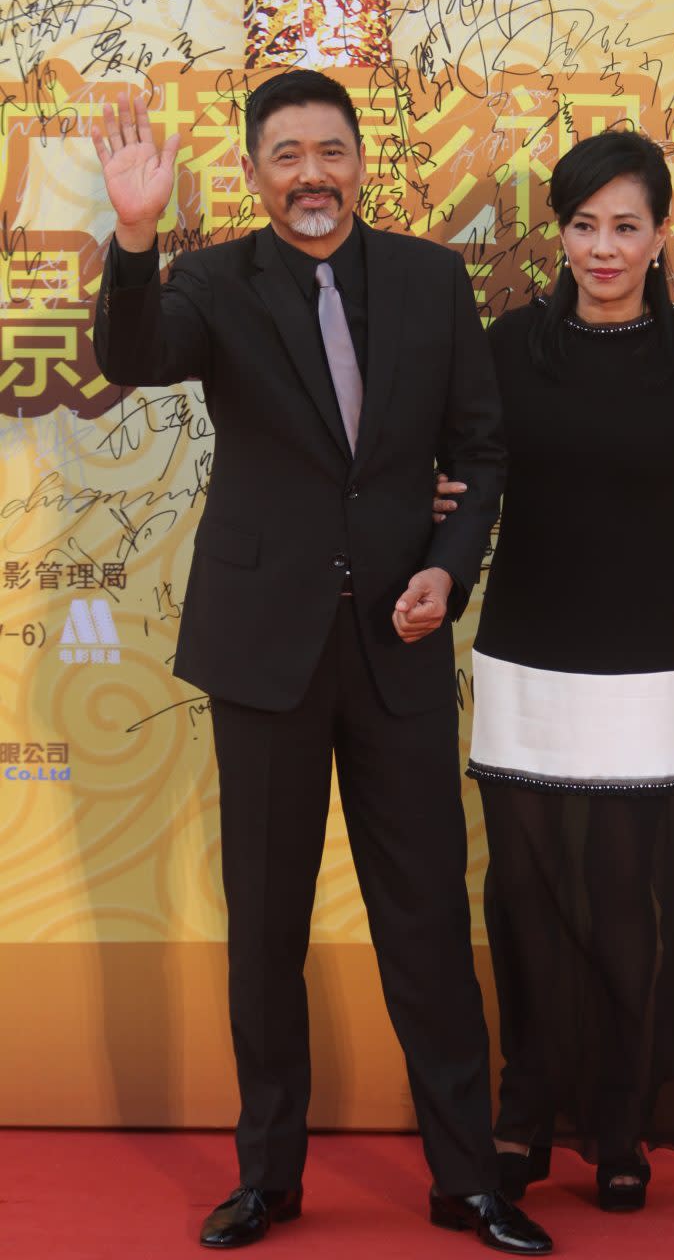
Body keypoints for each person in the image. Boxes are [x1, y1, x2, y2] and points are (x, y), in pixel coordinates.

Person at [91, 69, 552, 1255]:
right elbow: (133, 356)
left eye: (330, 151)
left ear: (361, 162)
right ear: (254, 173)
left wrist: (447, 567)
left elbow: (481, 451)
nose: (311, 175)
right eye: (286, 154)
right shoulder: (210, 280)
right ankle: (267, 1174)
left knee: (427, 923)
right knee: (266, 928)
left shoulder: (428, 279)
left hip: (397, 640)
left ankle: (465, 1178)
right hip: (265, 652)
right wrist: (135, 236)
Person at [436, 129, 674, 1212]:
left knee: (630, 906)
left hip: (646, 668)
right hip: (523, 660)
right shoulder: (504, 349)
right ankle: (522, 1114)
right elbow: (463, 475)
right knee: (523, 901)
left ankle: (622, 1121)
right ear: (560, 229)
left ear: (659, 232)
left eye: (624, 225)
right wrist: (437, 499)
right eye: (583, 224)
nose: (602, 246)